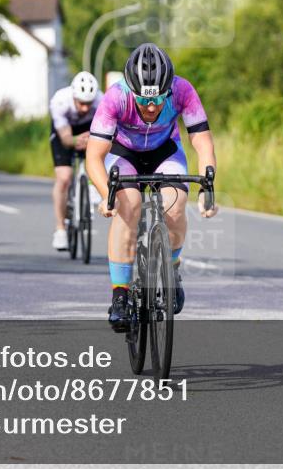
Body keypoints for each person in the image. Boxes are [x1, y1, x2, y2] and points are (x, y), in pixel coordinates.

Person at [86, 43, 218, 330]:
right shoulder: (115, 97)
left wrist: (207, 188)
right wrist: (106, 195)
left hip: (165, 151)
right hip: (124, 153)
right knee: (129, 206)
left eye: (158, 99)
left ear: (168, 90)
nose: (150, 106)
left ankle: (172, 267)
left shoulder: (182, 90)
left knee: (175, 205)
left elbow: (202, 140)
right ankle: (120, 296)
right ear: (131, 90)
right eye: (143, 100)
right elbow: (94, 156)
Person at [49, 71, 102, 251]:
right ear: (73, 96)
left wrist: (93, 141)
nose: (85, 108)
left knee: (100, 157)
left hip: (89, 129)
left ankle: (92, 186)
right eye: (81, 103)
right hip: (65, 131)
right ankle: (60, 229)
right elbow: (65, 139)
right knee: (64, 177)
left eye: (89, 103)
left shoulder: (101, 101)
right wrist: (75, 140)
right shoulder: (60, 101)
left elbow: (106, 133)